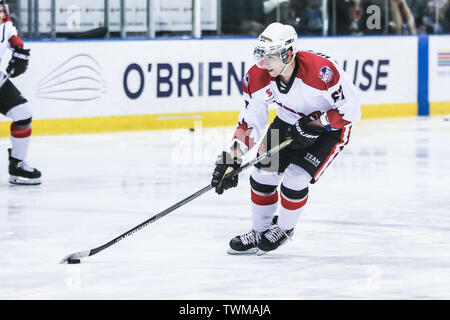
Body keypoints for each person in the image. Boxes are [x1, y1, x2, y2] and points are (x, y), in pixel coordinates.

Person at [211, 22, 361, 255]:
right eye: (260, 55)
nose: (263, 63)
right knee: (262, 175)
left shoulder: (322, 72)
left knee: (295, 179)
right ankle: (259, 231)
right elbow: (250, 122)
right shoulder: (257, 78)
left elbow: (351, 111)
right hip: (287, 123)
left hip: (329, 130)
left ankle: (284, 229)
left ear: (288, 54)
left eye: (270, 57)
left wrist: (315, 124)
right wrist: (233, 157)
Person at [0, 0, 41, 185]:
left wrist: (20, 52)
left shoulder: (4, 21)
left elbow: (12, 38)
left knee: (23, 114)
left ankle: (17, 164)